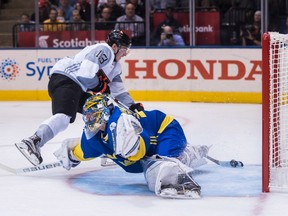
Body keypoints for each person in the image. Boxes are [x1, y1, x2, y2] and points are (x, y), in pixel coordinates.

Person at [15, 30, 144, 166]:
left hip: (78, 88)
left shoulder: (115, 66)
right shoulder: (105, 50)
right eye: (124, 49)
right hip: (66, 79)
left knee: (102, 111)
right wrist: (100, 86)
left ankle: (106, 150)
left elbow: (118, 91)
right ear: (114, 47)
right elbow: (85, 75)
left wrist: (132, 106)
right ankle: (34, 141)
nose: (125, 53)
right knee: (64, 117)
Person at [54, 93, 209, 198]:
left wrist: (127, 150)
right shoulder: (92, 137)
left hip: (165, 130)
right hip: (150, 148)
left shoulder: (121, 123)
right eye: (87, 116)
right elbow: (84, 150)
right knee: (152, 163)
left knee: (158, 164)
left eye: (92, 115)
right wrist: (72, 154)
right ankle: (184, 154)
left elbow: (139, 150)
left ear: (103, 113)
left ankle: (188, 154)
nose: (88, 120)